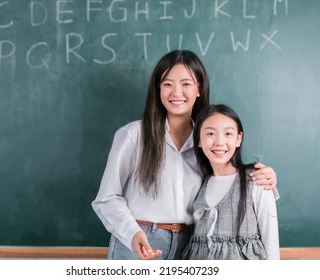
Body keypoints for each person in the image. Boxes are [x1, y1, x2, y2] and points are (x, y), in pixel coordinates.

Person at [91, 50, 277, 260]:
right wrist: (133, 234)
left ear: (199, 89)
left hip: (190, 247)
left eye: (186, 84)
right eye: (168, 84)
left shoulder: (208, 142)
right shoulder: (134, 135)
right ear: (158, 89)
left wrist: (265, 176)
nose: (176, 92)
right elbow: (106, 199)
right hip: (139, 243)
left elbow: (226, 179)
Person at [182, 104, 280, 260]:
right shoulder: (198, 183)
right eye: (210, 134)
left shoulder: (257, 179)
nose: (219, 142)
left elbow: (271, 243)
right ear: (199, 140)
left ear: (238, 139)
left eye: (228, 133)